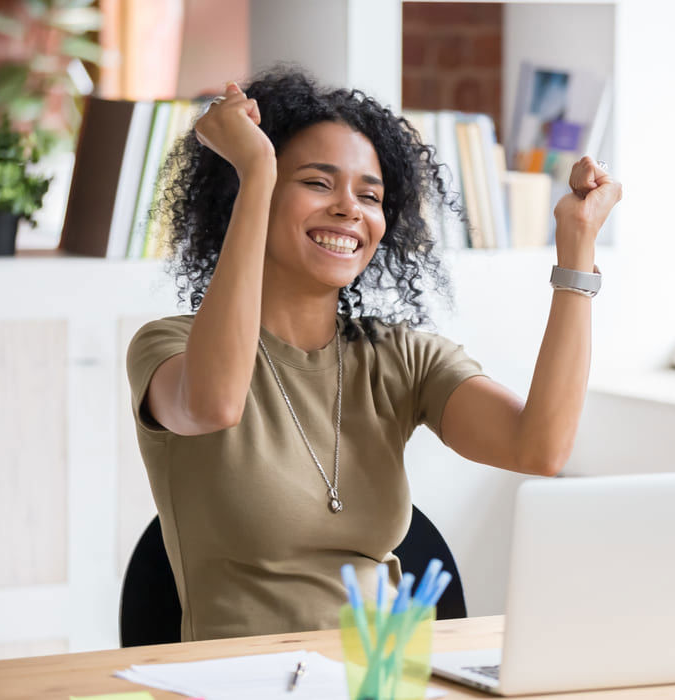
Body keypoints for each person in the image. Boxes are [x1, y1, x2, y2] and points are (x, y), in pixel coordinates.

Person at [126, 68, 621, 642]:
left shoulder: (399, 356)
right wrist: (257, 169)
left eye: (370, 195)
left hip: (382, 675)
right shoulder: (168, 346)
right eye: (316, 183)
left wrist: (577, 250)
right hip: (242, 680)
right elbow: (213, 405)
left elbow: (540, 448)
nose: (349, 209)